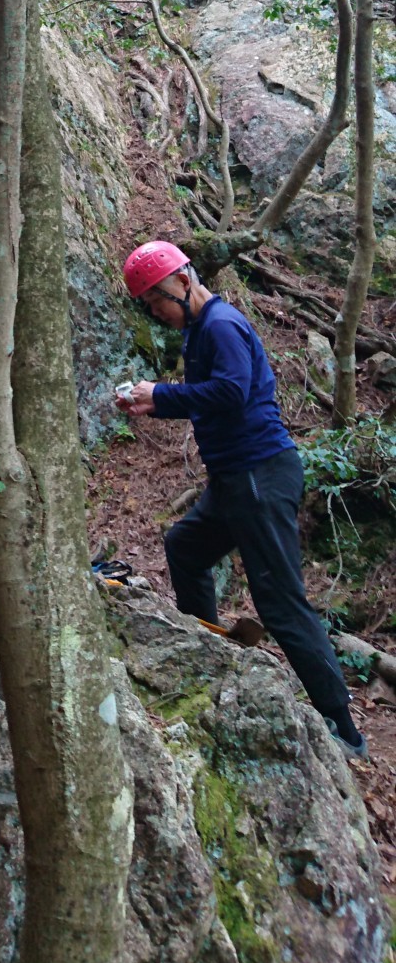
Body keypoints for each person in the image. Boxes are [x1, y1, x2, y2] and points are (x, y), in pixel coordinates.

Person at [120, 240, 367, 760]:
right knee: (185, 546)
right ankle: (209, 650)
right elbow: (215, 400)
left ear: (183, 282)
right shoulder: (197, 331)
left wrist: (161, 393)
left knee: (279, 602)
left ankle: (344, 728)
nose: (156, 311)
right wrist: (152, 406)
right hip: (234, 480)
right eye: (148, 305)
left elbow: (232, 391)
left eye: (156, 299)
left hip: (260, 475)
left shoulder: (221, 325)